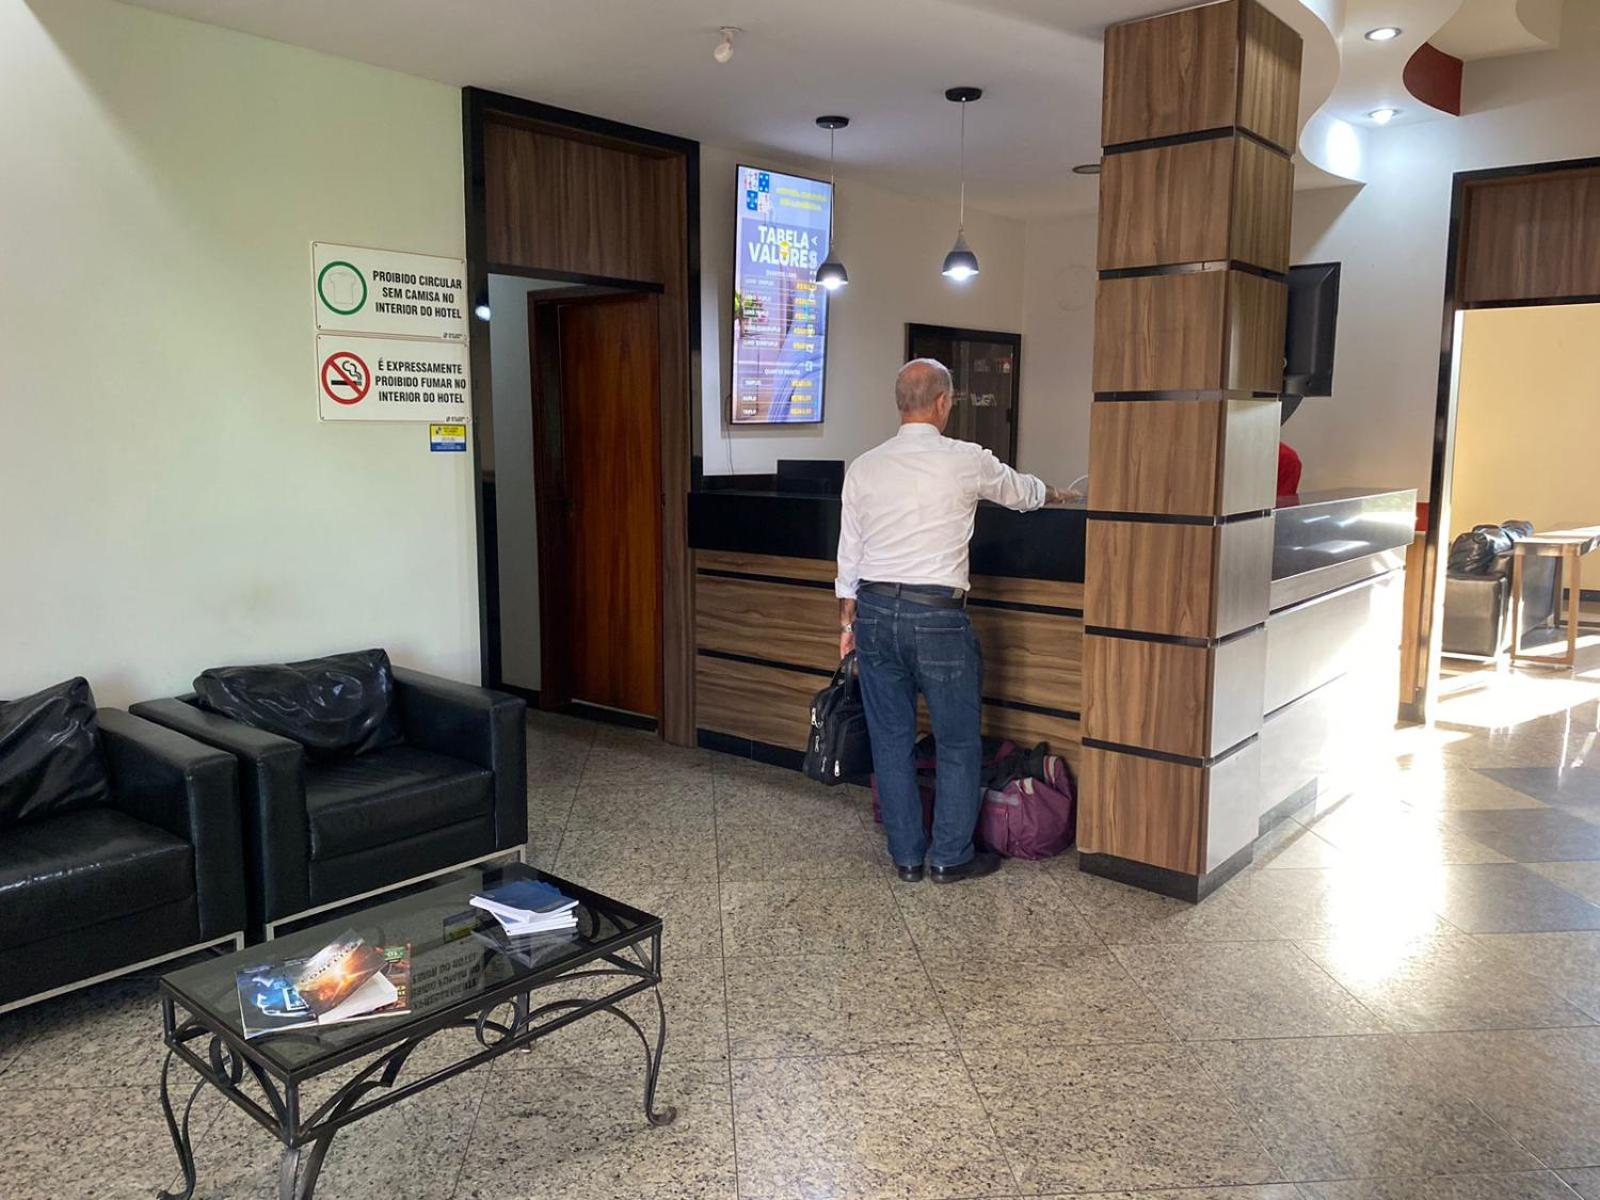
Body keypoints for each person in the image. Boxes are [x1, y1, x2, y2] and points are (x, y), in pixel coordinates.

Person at [835, 359, 1077, 883]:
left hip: (874, 613)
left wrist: (847, 625)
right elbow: (1021, 492)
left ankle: (906, 857)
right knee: (958, 742)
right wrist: (1056, 493)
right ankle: (950, 856)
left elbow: (848, 555)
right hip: (938, 619)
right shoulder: (966, 459)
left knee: (890, 741)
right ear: (943, 403)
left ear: (900, 404)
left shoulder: (864, 467)